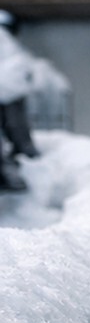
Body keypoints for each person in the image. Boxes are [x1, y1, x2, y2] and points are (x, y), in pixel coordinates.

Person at [0, 11, 39, 193]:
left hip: (8, 88)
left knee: (14, 125)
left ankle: (12, 171)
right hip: (10, 89)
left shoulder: (4, 41)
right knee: (15, 125)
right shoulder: (6, 40)